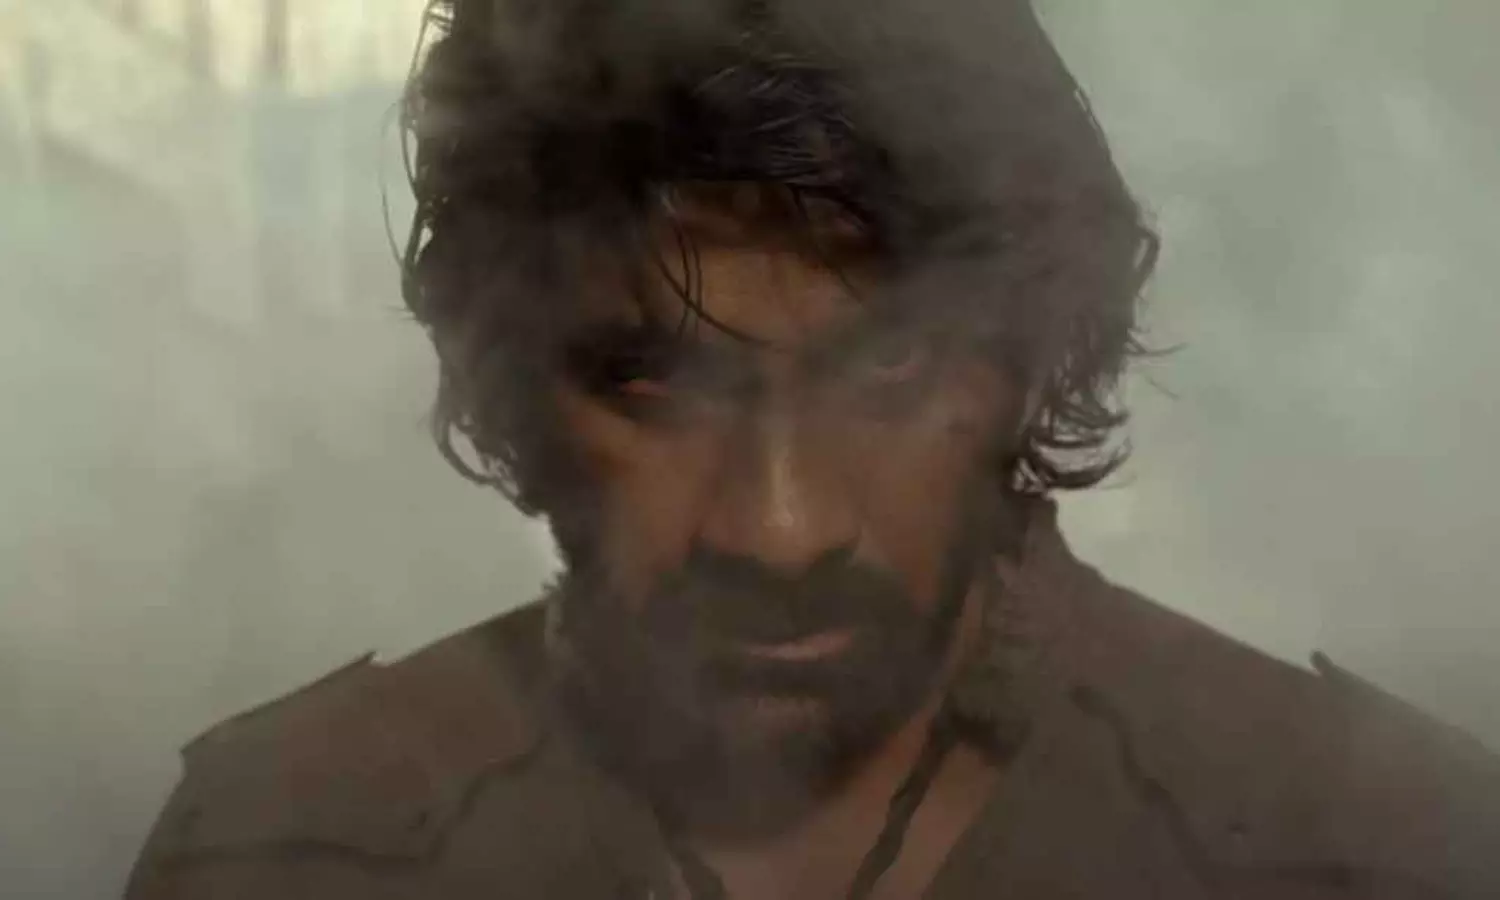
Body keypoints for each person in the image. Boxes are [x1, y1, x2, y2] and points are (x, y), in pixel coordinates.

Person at [125, 0, 1500, 897]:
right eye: (652, 382)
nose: (780, 529)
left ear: (1033, 358)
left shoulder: (1369, 848)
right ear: (511, 381)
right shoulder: (285, 845)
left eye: (891, 367)